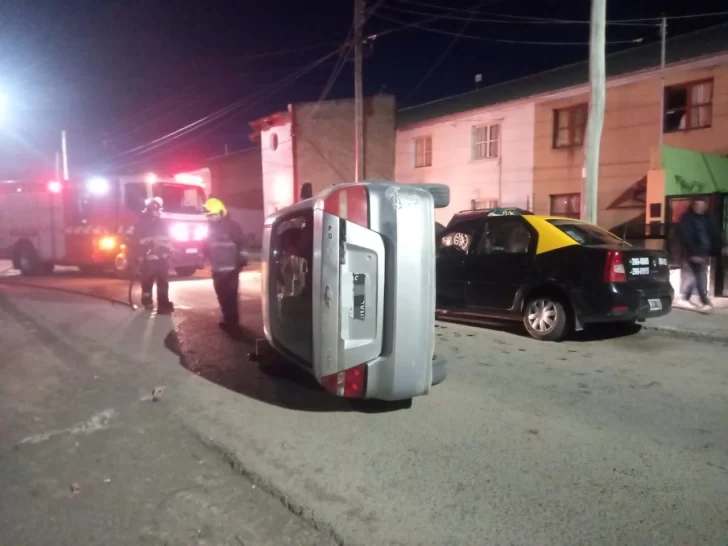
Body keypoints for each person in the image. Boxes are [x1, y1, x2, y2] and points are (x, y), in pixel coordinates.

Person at [203, 198, 248, 330]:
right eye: (208, 216)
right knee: (222, 295)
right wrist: (203, 256)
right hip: (217, 269)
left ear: (221, 213)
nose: (210, 218)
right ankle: (227, 318)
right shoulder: (209, 228)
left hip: (230, 270)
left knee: (230, 296)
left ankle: (232, 321)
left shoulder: (232, 227)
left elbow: (243, 244)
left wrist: (242, 260)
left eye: (212, 215)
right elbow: (206, 245)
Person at [676, 197, 722, 313]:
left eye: (702, 205)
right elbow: (685, 237)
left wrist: (722, 246)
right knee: (700, 276)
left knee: (695, 275)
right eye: (697, 204)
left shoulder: (707, 218)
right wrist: (693, 252)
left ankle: (685, 298)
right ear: (693, 205)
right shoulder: (687, 218)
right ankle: (705, 302)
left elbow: (715, 232)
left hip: (703, 251)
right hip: (693, 252)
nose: (700, 207)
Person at [134, 197, 174, 313]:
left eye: (158, 210)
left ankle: (163, 305)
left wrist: (168, 250)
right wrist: (140, 254)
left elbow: (168, 238)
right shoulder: (141, 224)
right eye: (155, 210)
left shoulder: (161, 223)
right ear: (150, 210)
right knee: (147, 282)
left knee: (163, 284)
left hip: (162, 258)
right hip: (148, 259)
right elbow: (136, 241)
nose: (157, 212)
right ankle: (147, 302)